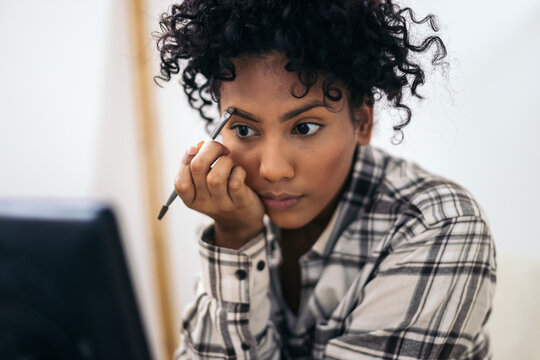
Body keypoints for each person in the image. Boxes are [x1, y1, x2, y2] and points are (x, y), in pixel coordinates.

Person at [155, 0, 497, 358]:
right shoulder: (239, 210)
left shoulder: (438, 225)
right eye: (243, 129)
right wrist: (236, 237)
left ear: (362, 123)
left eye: (304, 127)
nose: (272, 169)